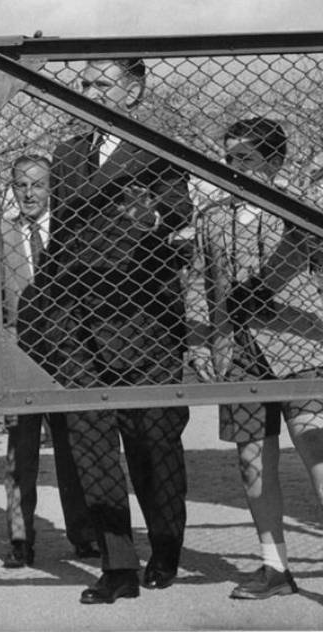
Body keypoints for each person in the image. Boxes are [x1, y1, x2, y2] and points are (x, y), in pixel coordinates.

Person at [18, 58, 192, 604]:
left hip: (143, 321)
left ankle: (165, 545)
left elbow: (178, 209)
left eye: (101, 84)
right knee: (91, 445)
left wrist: (153, 219)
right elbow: (62, 237)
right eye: (84, 83)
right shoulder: (69, 153)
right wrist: (46, 314)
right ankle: (117, 566)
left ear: (133, 91)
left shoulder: (157, 147)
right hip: (76, 325)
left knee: (153, 444)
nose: (88, 91)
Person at [187, 117, 323, 599]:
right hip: (238, 352)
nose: (233, 167)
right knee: (252, 464)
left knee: (317, 452)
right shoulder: (211, 217)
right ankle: (274, 567)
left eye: (245, 158)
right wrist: (200, 341)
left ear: (275, 161)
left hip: (300, 349)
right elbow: (199, 282)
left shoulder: (299, 209)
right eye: (229, 158)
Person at [0, 154, 98, 568]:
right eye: (21, 185)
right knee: (19, 454)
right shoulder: (0, 236)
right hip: (20, 355)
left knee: (73, 448)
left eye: (38, 184)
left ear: (51, 187)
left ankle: (83, 534)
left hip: (69, 354)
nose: (29, 193)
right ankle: (20, 538)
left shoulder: (70, 231)